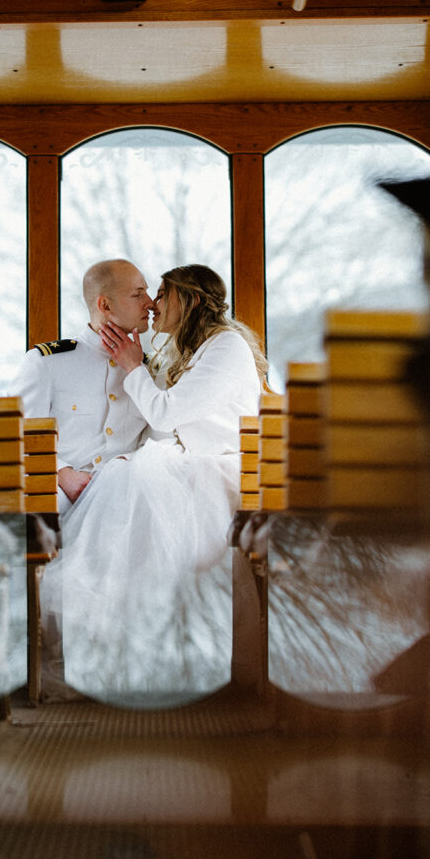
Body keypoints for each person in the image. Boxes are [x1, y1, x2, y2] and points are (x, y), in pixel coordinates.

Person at [39, 264, 266, 708]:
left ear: (190, 301)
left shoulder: (227, 347)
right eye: (147, 294)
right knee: (125, 482)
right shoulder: (180, 351)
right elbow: (161, 428)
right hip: (185, 465)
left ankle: (177, 661)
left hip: (219, 471)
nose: (153, 304)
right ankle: (118, 660)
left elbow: (165, 414)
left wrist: (131, 364)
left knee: (131, 486)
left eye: (162, 294)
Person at [9, 258, 154, 514]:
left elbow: (160, 442)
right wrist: (62, 473)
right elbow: (15, 435)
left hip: (130, 494)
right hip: (60, 497)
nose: (150, 303)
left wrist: (126, 465)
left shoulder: (151, 369)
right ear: (105, 305)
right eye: (138, 294)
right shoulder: (46, 362)